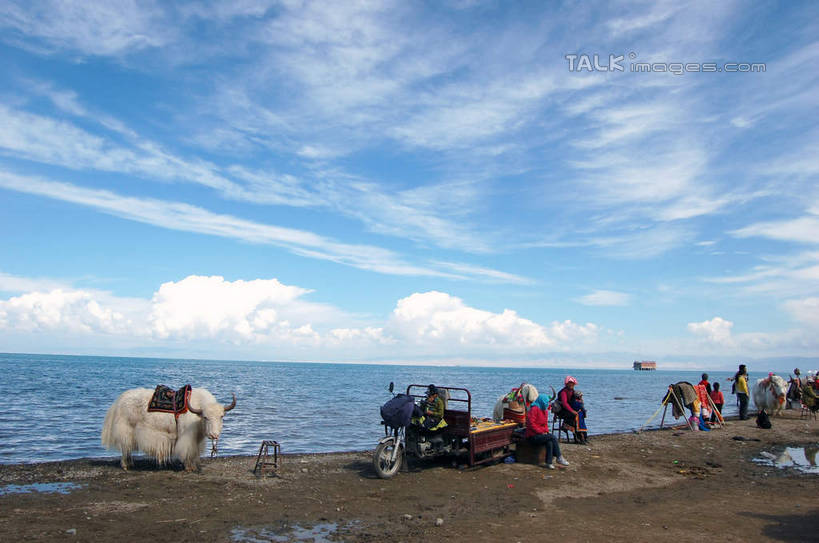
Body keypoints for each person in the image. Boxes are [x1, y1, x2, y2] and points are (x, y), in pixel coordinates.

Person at [525, 393, 569, 469]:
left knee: (550, 441)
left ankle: (549, 463)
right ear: (542, 401)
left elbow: (545, 424)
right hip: (532, 436)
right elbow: (531, 424)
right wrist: (541, 432)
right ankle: (559, 457)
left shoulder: (544, 410)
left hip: (540, 434)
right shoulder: (534, 409)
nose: (547, 404)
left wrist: (546, 431)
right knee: (552, 437)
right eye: (546, 402)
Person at [558, 376, 583, 442]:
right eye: (570, 383)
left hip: (569, 410)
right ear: (567, 384)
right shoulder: (563, 392)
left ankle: (581, 435)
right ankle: (575, 435)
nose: (572, 385)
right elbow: (565, 403)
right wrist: (572, 411)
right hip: (562, 411)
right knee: (574, 415)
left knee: (581, 414)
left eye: (573, 383)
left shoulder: (572, 391)